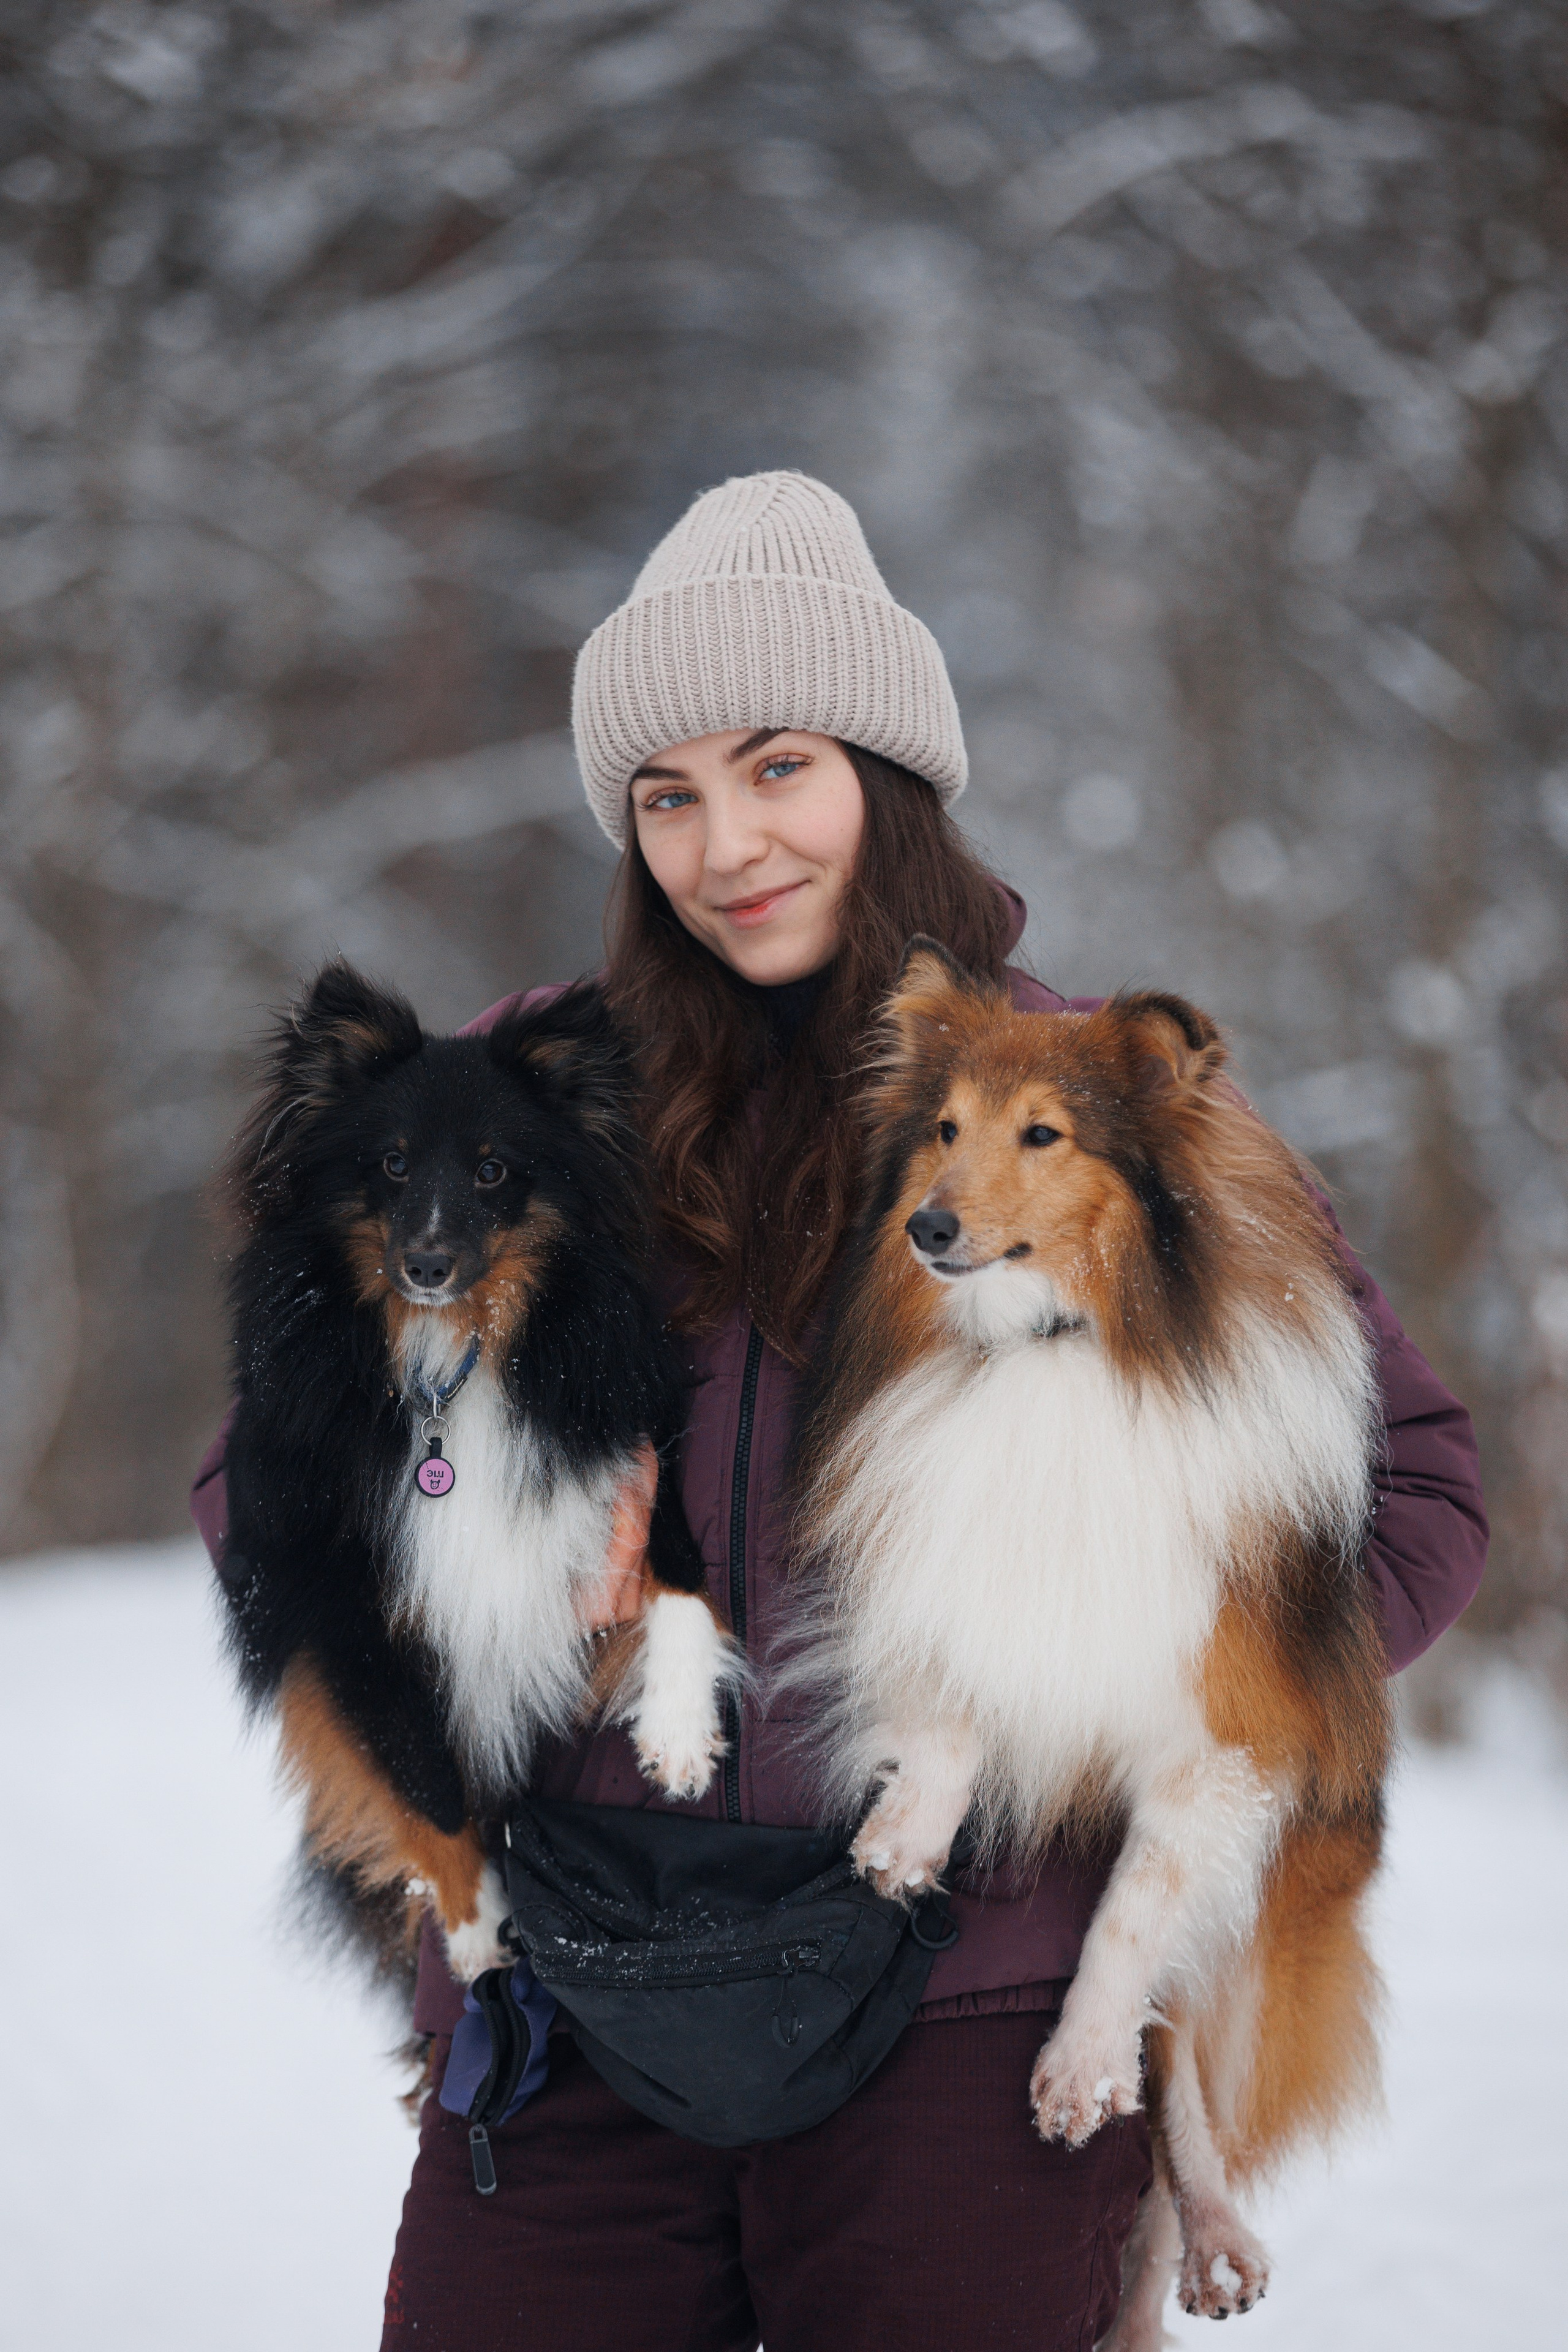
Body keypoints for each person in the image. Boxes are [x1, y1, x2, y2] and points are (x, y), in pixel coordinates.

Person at [191, 472, 1487, 2351]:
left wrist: (1166, 1681)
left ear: (887, 769)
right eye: (668, 795)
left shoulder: (1088, 1100)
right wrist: (477, 1546)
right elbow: (268, 1468)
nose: (728, 844)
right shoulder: (532, 1092)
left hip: (965, 2001)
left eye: (777, 764)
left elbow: (1421, 1481)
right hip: (579, 1988)